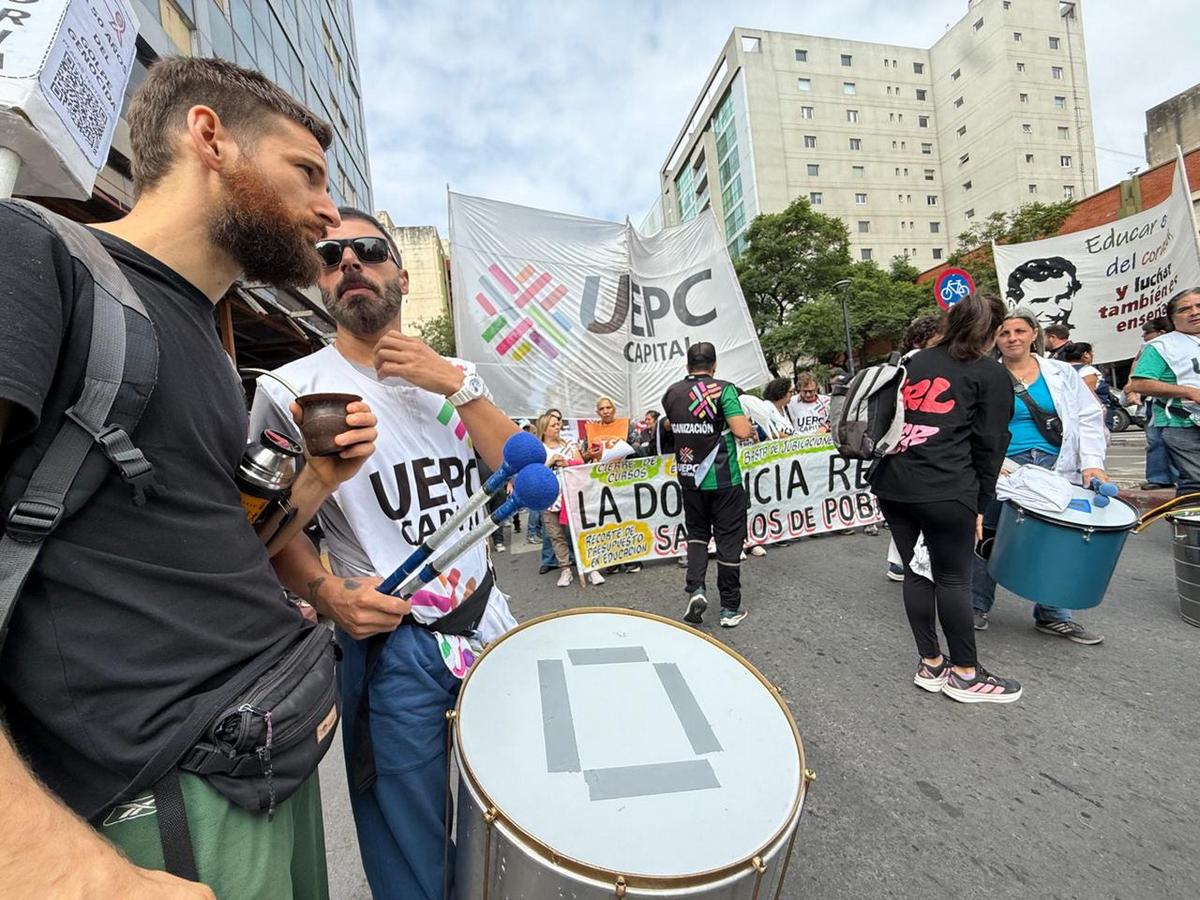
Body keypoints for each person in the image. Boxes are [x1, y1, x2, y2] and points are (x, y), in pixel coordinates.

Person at [0, 58, 380, 897]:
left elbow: (209, 549)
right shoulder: (30, 253)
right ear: (209, 136)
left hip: (267, 759)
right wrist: (50, 864)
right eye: (307, 173)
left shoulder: (210, 345)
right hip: (158, 802)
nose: (327, 209)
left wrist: (314, 483)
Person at [251, 207, 519, 900]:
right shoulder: (287, 392)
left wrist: (455, 384)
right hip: (391, 647)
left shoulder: (455, 375)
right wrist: (327, 595)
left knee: (514, 824)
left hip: (491, 625)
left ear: (399, 274)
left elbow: (526, 472)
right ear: (320, 281)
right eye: (330, 254)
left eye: (366, 250)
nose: (348, 264)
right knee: (411, 851)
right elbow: (265, 533)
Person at [869, 293, 1023, 703]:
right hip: (947, 486)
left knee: (917, 572)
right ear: (991, 332)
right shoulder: (990, 373)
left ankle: (930, 663)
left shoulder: (911, 363)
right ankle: (966, 674)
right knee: (954, 577)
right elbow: (990, 444)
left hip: (893, 483)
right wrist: (978, 505)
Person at [970, 309, 1107, 644]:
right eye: (1004, 333)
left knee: (1057, 538)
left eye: (1019, 330)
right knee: (989, 535)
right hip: (1004, 467)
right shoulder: (986, 375)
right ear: (994, 339)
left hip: (1055, 464)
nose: (1012, 338)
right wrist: (989, 461)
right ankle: (975, 604)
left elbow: (1089, 416)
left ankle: (1053, 614)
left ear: (1035, 334)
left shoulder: (1061, 372)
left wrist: (1092, 463)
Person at [662, 342, 757, 627]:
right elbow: (740, 431)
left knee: (697, 536)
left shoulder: (672, 393)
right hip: (724, 479)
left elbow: (670, 424)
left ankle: (696, 589)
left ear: (687, 365)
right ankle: (729, 607)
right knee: (729, 539)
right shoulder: (724, 389)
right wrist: (749, 427)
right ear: (714, 365)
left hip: (690, 479)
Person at [884, 313, 948, 581]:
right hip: (922, 447)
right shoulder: (920, 367)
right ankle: (916, 564)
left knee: (906, 514)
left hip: (897, 454)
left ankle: (901, 561)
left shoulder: (895, 366)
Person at [1127, 287, 1200, 497]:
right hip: (1184, 425)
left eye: (1198, 306)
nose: (1194, 312)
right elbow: (1139, 383)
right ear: (1173, 318)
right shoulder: (1161, 346)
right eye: (1185, 309)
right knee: (1195, 486)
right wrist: (1188, 391)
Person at [535, 413, 606, 587]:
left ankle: (590, 568)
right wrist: (550, 462)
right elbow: (534, 474)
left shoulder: (569, 444)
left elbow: (581, 464)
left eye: (558, 424)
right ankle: (565, 569)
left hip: (572, 495)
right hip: (549, 497)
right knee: (556, 535)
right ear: (544, 429)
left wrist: (568, 463)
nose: (557, 427)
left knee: (580, 531)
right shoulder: (538, 450)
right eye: (553, 425)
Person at [1124, 318, 1177, 490]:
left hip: (1185, 401)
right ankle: (1159, 477)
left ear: (1161, 332)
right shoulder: (1149, 349)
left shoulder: (1185, 344)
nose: (1144, 336)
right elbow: (1136, 372)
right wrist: (1132, 390)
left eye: (1148, 332)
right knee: (1156, 439)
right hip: (1158, 403)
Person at [1060, 342, 1111, 406]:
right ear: (1086, 354)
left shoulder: (1060, 371)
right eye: (1091, 353)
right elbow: (1087, 398)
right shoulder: (1089, 371)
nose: (1093, 355)